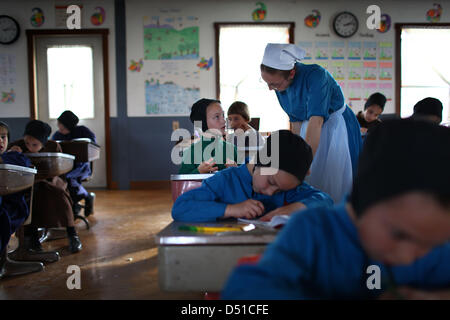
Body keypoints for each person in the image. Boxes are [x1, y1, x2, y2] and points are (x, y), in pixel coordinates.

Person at [222, 119, 450, 300]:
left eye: (432, 243)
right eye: (399, 235)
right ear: (364, 198)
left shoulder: (428, 244)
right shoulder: (314, 233)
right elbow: (244, 290)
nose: (408, 257)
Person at [260, 43, 362, 203]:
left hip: (335, 126)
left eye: (274, 84)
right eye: (266, 83)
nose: (270, 88)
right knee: (310, 177)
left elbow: (317, 122)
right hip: (311, 127)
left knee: (331, 178)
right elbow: (296, 123)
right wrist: (293, 159)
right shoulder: (279, 86)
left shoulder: (316, 76)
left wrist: (301, 165)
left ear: (292, 73)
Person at [172, 130, 333, 222]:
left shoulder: (287, 184)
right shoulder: (225, 180)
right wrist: (230, 209)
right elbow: (180, 208)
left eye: (278, 191)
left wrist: (295, 207)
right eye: (270, 181)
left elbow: (325, 200)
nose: (271, 192)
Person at [9, 120, 82, 253]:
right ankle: (32, 238)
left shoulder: (53, 146)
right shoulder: (17, 145)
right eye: (27, 143)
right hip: (26, 184)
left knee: (59, 194)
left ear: (43, 142)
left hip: (51, 181)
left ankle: (72, 234)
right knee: (29, 198)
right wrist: (12, 153)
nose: (30, 147)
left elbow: (61, 170)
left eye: (35, 144)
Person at [52, 110, 96, 216]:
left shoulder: (83, 131)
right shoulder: (57, 135)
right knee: (60, 178)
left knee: (68, 178)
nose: (59, 127)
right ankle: (78, 200)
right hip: (64, 166)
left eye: (61, 125)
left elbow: (93, 147)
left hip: (81, 166)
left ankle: (78, 201)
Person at [179, 99, 238, 174]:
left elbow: (245, 179)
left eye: (223, 115)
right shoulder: (191, 152)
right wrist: (198, 171)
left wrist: (236, 169)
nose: (223, 121)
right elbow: (182, 181)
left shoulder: (232, 149)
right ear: (203, 121)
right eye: (217, 117)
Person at [0, 121, 32, 254]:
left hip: (11, 205)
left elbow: (26, 167)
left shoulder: (13, 156)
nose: (0, 141)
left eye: (3, 136)